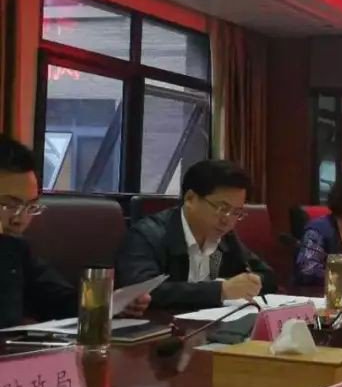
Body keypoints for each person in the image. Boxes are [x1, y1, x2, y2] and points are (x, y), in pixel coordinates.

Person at [0, 135, 148, 328]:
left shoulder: (14, 248)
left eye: (30, 207)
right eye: (9, 204)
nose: (19, 219)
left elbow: (59, 302)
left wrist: (111, 303)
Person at [116, 159, 276, 310]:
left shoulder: (225, 237)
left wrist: (252, 282)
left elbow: (267, 276)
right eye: (222, 208)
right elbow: (140, 291)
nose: (227, 220)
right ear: (190, 199)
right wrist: (220, 290)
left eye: (236, 212)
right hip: (165, 326)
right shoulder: (147, 235)